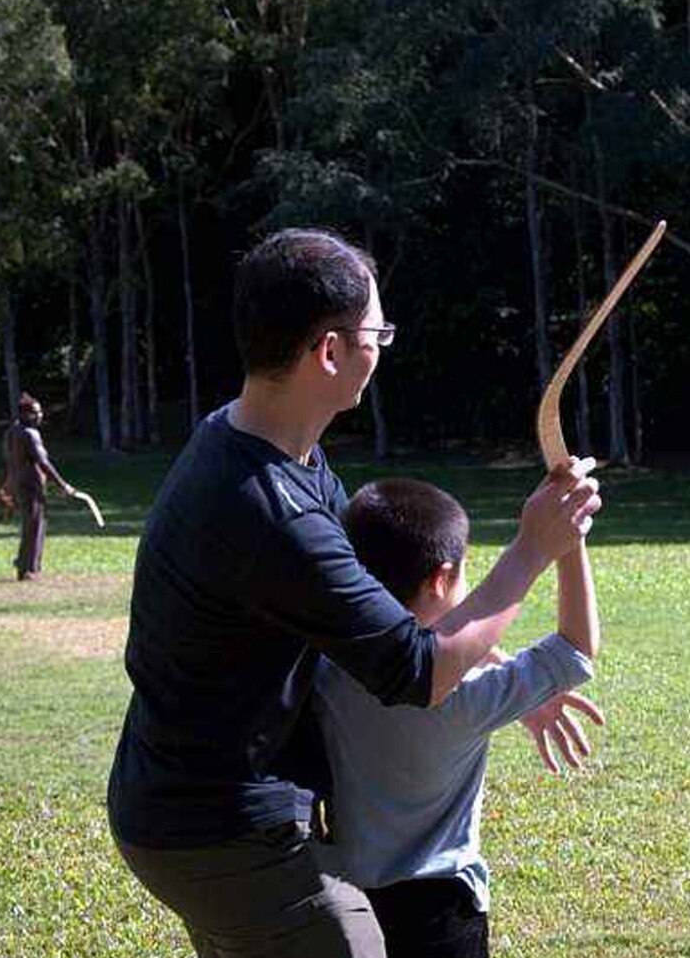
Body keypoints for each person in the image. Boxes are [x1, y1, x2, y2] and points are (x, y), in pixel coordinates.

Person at [106, 228, 602, 958]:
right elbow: (418, 668)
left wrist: (497, 675)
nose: (383, 347)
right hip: (215, 826)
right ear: (330, 351)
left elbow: (366, 624)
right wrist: (534, 549)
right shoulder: (273, 512)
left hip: (175, 806)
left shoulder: (259, 449)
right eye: (378, 331)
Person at [310, 474, 601, 958]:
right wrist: (568, 543)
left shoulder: (324, 664)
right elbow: (575, 649)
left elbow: (423, 642)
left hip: (347, 905)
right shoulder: (465, 702)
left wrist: (501, 666)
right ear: (441, 579)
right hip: (441, 916)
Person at [0, 392, 75, 581]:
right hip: (30, 485)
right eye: (35, 412)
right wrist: (62, 485)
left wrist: (7, 484)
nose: (40, 415)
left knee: (31, 524)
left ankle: (26, 565)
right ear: (24, 414)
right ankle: (27, 569)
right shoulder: (30, 434)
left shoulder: (12, 431)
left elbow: (11, 461)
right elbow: (43, 462)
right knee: (34, 525)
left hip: (18, 483)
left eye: (39, 411)